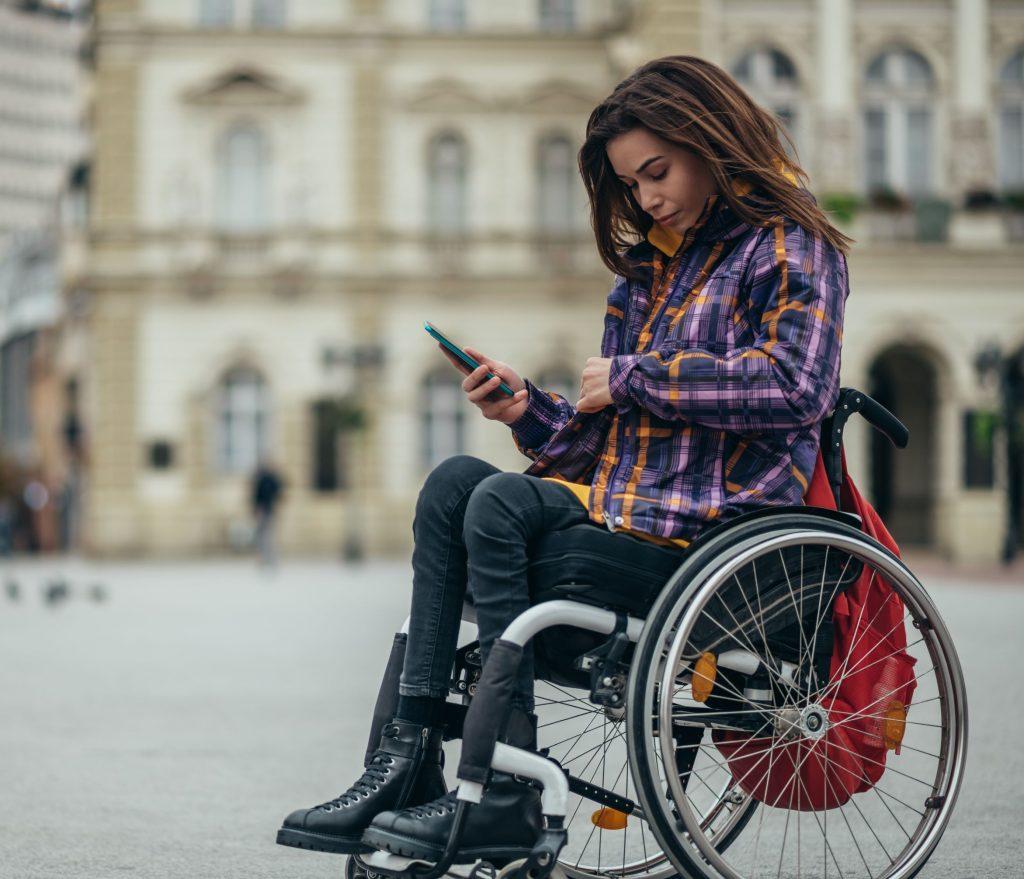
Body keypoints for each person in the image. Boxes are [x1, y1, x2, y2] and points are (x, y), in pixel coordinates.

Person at [277, 55, 851, 862]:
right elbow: (604, 439)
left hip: (713, 538)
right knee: (453, 486)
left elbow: (799, 386)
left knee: (501, 505)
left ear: (712, 139)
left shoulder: (788, 245)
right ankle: (402, 761)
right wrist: (531, 410)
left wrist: (634, 376)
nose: (647, 198)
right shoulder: (645, 276)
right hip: (629, 514)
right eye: (630, 186)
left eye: (657, 172)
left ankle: (503, 790)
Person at [250, 461, 284, 567]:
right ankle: (266, 558)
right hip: (266, 510)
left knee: (265, 536)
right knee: (264, 536)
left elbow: (258, 495)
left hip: (267, 511)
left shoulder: (267, 479)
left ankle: (267, 558)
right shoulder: (265, 479)